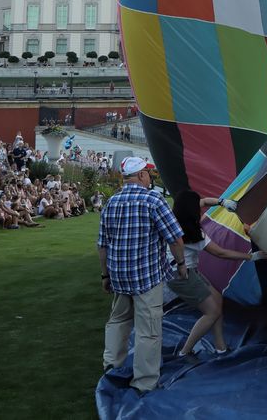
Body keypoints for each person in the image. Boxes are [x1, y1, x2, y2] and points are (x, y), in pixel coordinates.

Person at [97, 157, 187, 394]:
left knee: (118, 321)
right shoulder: (154, 199)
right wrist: (181, 263)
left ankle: (111, 367)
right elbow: (176, 238)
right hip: (145, 277)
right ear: (141, 176)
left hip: (119, 275)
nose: (150, 178)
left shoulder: (112, 201)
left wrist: (105, 276)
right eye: (148, 174)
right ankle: (144, 382)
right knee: (148, 331)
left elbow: (102, 245)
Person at [170, 190, 255, 358]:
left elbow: (203, 201)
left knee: (217, 298)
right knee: (212, 312)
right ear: (191, 210)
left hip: (184, 271)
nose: (201, 209)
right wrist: (251, 256)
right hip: (182, 276)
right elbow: (221, 253)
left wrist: (222, 202)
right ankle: (185, 352)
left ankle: (220, 346)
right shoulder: (193, 234)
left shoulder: (174, 220)